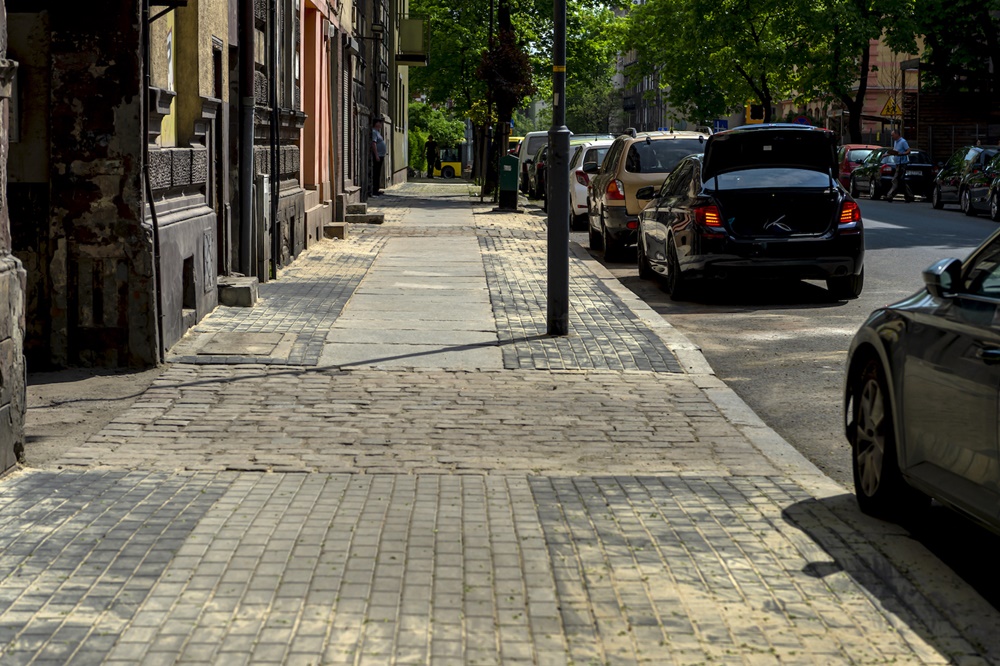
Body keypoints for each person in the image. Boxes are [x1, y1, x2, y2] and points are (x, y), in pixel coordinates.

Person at [885, 128, 914, 203]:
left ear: (897, 134)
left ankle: (890, 195)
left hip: (902, 163)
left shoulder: (903, 141)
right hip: (898, 163)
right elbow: (895, 151)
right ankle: (909, 196)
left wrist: (902, 154)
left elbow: (908, 150)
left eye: (893, 135)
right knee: (901, 181)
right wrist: (887, 154)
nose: (892, 137)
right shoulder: (895, 142)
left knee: (895, 180)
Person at [370, 117, 387, 196]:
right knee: (376, 172)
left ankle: (377, 189)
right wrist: (376, 155)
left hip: (381, 155)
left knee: (378, 172)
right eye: (379, 123)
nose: (381, 124)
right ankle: (374, 190)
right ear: (376, 123)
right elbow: (373, 143)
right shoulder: (374, 132)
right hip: (378, 155)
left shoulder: (377, 132)